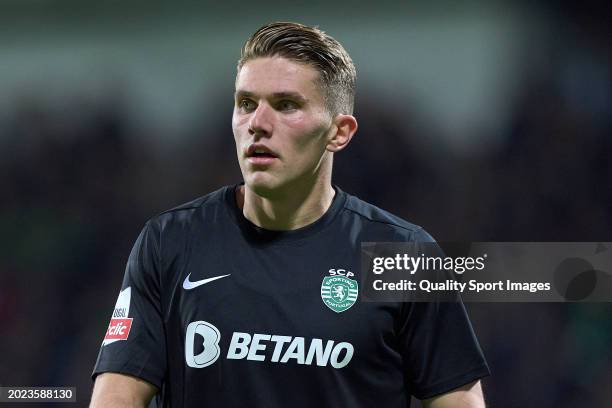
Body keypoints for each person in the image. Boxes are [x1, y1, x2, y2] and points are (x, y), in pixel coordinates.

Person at [91, 22, 489, 407]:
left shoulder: (404, 253)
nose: (257, 124)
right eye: (246, 104)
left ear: (340, 132)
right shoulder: (170, 241)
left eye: (286, 105)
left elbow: (458, 399)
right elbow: (117, 396)